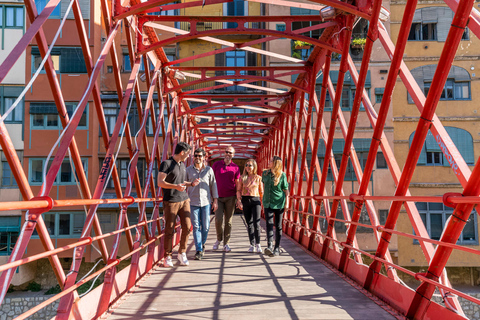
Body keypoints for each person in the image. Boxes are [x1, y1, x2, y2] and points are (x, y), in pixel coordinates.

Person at [158, 142, 199, 267]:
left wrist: (191, 184)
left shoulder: (182, 165)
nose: (188, 156)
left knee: (187, 226)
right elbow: (160, 182)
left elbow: (180, 182)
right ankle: (168, 256)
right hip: (171, 201)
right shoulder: (167, 164)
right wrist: (175, 186)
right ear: (182, 152)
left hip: (184, 199)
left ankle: (182, 252)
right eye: (187, 154)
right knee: (169, 229)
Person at [186, 148, 219, 260]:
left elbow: (213, 185)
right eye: (196, 155)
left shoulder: (209, 170)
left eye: (200, 156)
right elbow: (183, 184)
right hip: (193, 202)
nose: (197, 158)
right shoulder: (188, 170)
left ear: (204, 157)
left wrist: (215, 200)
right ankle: (199, 249)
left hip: (206, 202)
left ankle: (202, 243)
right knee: (196, 227)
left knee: (205, 226)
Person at [211, 146, 240, 252]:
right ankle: (219, 239)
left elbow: (237, 183)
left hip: (230, 197)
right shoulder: (216, 164)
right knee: (218, 219)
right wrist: (211, 195)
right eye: (226, 152)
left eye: (230, 153)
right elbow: (211, 179)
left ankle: (226, 243)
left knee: (228, 221)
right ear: (224, 153)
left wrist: (238, 198)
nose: (228, 154)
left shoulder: (236, 167)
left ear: (233, 155)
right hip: (217, 197)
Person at [262, 156, 289, 257]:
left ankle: (276, 248)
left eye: (270, 161)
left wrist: (287, 203)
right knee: (269, 224)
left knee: (278, 226)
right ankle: (269, 246)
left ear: (275, 163)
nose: (268, 162)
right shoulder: (265, 173)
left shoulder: (282, 175)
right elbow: (263, 187)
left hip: (279, 203)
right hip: (267, 202)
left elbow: (286, 191)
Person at [237, 159, 264, 253]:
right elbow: (238, 190)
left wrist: (263, 203)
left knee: (256, 224)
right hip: (245, 200)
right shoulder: (242, 178)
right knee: (249, 224)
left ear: (254, 167)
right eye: (246, 165)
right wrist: (239, 201)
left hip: (256, 200)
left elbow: (261, 191)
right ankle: (252, 244)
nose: (248, 167)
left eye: (250, 165)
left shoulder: (258, 178)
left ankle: (258, 244)